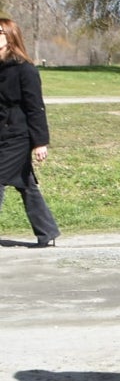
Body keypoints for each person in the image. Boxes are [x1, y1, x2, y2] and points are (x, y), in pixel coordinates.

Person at [0, 17, 60, 248]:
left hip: (19, 135)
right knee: (25, 184)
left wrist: (40, 142)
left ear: (10, 37)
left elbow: (35, 107)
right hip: (3, 133)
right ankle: (47, 231)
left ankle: (48, 231)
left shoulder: (25, 70)